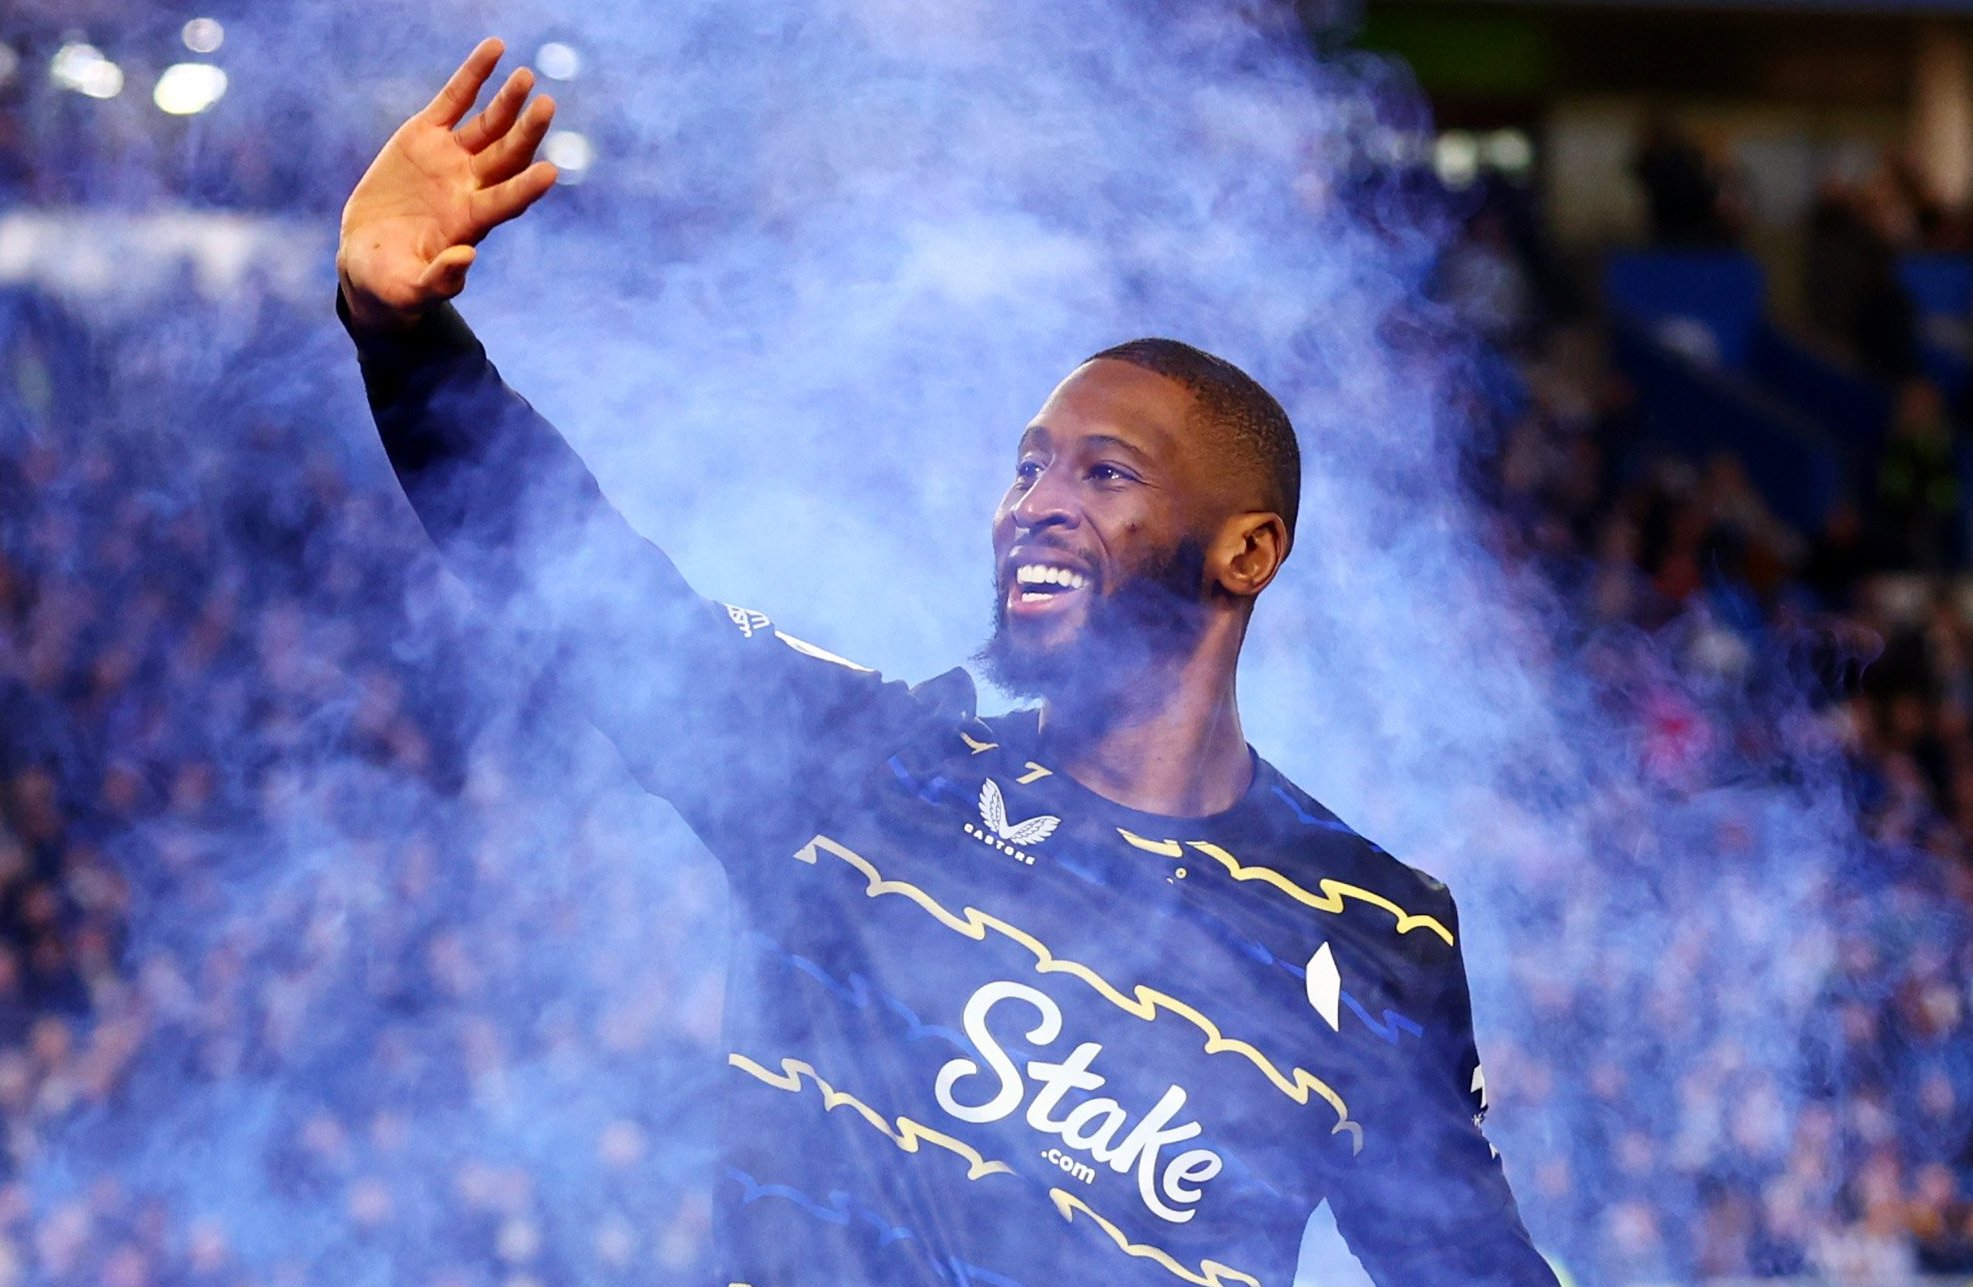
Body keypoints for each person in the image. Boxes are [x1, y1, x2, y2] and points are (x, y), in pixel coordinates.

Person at [335, 39, 1559, 1287]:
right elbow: (579, 582)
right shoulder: (857, 775)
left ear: (1246, 553)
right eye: (1025, 465)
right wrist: (405, 340)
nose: (1031, 502)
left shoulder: (1370, 930)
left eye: (1104, 473)